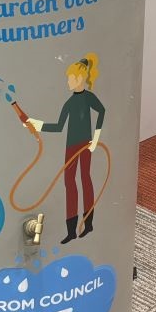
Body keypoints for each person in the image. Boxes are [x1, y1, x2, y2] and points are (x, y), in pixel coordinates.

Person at [27, 53, 105, 244]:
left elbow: (101, 111)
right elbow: (59, 126)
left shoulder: (88, 98)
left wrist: (95, 138)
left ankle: (88, 223)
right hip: (71, 146)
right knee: (69, 182)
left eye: (70, 78)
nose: (68, 82)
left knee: (85, 179)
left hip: (85, 143)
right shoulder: (69, 103)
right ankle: (71, 229)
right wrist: (37, 125)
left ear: (79, 79)